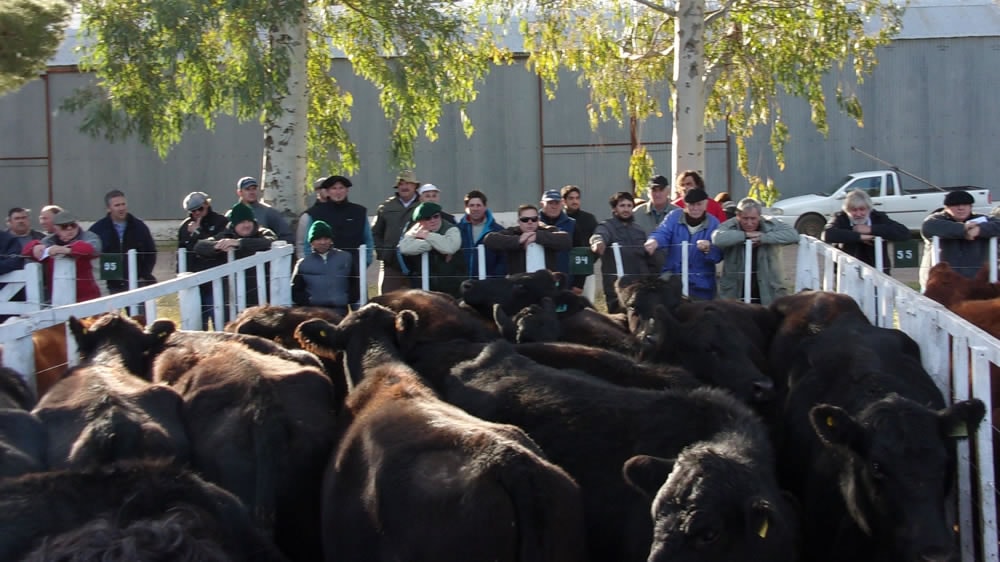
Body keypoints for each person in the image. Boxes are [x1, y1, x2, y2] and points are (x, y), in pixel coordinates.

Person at [300, 175, 373, 307]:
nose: (338, 192)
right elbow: (306, 243)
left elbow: (368, 240)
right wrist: (313, 264)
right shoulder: (315, 213)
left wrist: (364, 262)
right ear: (327, 191)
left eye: (341, 188)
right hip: (324, 269)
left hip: (355, 268)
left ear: (347, 190)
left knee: (361, 308)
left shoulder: (359, 212)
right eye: (334, 188)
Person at [712, 197, 799, 305]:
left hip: (767, 289)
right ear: (738, 216)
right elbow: (717, 238)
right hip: (736, 290)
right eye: (745, 218)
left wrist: (764, 238)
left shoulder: (771, 223)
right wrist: (745, 235)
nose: (749, 223)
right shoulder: (730, 225)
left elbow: (793, 235)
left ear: (759, 216)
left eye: (753, 218)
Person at [644, 189, 723, 300]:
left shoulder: (714, 223)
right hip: (673, 281)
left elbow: (719, 254)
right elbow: (663, 232)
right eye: (691, 204)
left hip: (701, 286)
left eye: (699, 204)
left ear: (706, 204)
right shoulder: (674, 216)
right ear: (685, 204)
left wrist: (709, 249)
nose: (695, 208)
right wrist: (653, 241)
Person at [195, 203, 278, 308]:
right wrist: (217, 246)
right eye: (242, 222)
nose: (247, 225)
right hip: (231, 296)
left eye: (249, 221)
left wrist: (239, 243)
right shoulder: (226, 235)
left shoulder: (263, 233)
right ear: (234, 224)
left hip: (261, 293)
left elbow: (270, 242)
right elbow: (199, 246)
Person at [590, 191, 657, 313]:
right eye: (622, 206)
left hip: (640, 288)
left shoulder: (639, 230)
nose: (626, 209)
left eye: (629, 206)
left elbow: (648, 257)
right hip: (617, 289)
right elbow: (599, 236)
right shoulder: (606, 226)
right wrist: (598, 243)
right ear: (615, 209)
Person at [920, 190, 1000, 286]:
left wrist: (979, 230)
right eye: (955, 205)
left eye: (965, 205)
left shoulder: (982, 220)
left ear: (971, 207)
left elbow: (997, 224)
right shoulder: (935, 220)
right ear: (946, 208)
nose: (961, 208)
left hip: (976, 282)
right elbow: (928, 227)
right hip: (942, 283)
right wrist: (964, 229)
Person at [822, 189, 910, 273]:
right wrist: (860, 237)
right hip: (847, 271)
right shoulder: (840, 218)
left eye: (862, 209)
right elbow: (827, 234)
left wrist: (870, 229)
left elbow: (904, 233)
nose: (858, 214)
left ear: (869, 208)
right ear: (847, 211)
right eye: (854, 210)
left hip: (877, 270)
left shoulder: (878, 217)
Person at [88, 189, 157, 294]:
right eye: (117, 205)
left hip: (136, 282)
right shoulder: (98, 229)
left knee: (138, 311)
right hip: (110, 285)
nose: (121, 208)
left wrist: (144, 274)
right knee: (110, 311)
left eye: (123, 204)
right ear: (108, 208)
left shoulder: (139, 227)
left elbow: (150, 252)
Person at [23, 211, 102, 302]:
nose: (69, 229)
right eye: (64, 226)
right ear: (56, 229)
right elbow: (26, 252)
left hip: (88, 297)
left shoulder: (88, 236)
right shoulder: (49, 241)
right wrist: (35, 247)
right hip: (58, 298)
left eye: (73, 225)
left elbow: (94, 248)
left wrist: (67, 250)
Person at [177, 191, 229, 329]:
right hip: (194, 280)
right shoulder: (185, 227)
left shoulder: (221, 222)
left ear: (207, 204)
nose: (197, 213)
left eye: (200, 209)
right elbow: (182, 251)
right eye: (193, 211)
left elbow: (214, 247)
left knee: (219, 319)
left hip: (215, 279)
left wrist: (197, 232)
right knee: (196, 322)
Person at [398, 202, 466, 297]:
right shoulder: (414, 230)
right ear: (419, 221)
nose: (433, 220)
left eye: (436, 216)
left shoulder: (451, 229)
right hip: (424, 287)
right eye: (427, 218)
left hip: (452, 287)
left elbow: (450, 247)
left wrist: (427, 235)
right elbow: (404, 248)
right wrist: (436, 244)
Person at [484, 204, 571, 275]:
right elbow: (489, 239)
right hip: (520, 285)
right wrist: (518, 240)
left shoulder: (547, 231)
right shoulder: (513, 232)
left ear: (538, 220)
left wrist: (537, 237)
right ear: (519, 221)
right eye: (525, 219)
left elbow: (566, 240)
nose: (530, 222)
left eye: (534, 219)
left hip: (545, 285)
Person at [372, 170, 421, 294]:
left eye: (408, 183)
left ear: (415, 186)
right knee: (388, 300)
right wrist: (383, 253)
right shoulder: (386, 207)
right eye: (401, 184)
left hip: (417, 264)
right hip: (391, 265)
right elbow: (375, 233)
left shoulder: (423, 205)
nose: (404, 187)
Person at [291, 220, 352, 315]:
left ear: (331, 240)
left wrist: (346, 298)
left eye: (326, 238)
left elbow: (355, 284)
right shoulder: (303, 264)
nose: (323, 242)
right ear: (311, 242)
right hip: (315, 313)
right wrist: (309, 300)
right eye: (318, 239)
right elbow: (296, 291)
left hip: (340, 312)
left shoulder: (345, 258)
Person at [457, 189, 506, 278]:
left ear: (485, 207)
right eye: (471, 205)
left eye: (478, 205)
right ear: (466, 208)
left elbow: (502, 260)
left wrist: (494, 280)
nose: (475, 209)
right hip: (463, 284)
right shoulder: (458, 230)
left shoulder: (498, 231)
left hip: (488, 286)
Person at [231, 176, 294, 245]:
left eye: (254, 189)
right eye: (247, 189)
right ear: (239, 192)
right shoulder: (231, 214)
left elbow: (287, 237)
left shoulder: (269, 213)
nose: (251, 192)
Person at [634, 175, 677, 274]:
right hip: (643, 270)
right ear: (648, 192)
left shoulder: (678, 213)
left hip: (671, 271)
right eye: (654, 190)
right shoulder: (637, 213)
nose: (657, 194)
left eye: (661, 190)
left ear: (668, 191)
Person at [561, 185, 598, 294]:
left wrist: (589, 261)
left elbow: (596, 240)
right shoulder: (560, 219)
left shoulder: (589, 219)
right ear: (564, 201)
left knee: (587, 303)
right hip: (565, 270)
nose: (575, 201)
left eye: (577, 198)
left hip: (586, 270)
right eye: (571, 198)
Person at [538, 189, 576, 280]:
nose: (554, 206)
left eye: (557, 203)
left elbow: (579, 252)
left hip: (564, 277)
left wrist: (578, 283)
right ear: (542, 204)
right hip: (539, 278)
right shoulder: (531, 223)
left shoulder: (572, 224)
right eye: (550, 203)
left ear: (562, 203)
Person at [296, 177, 332, 258]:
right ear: (317, 190)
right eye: (325, 187)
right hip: (315, 260)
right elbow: (301, 243)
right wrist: (305, 262)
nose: (329, 190)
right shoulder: (309, 215)